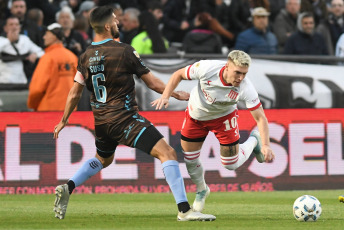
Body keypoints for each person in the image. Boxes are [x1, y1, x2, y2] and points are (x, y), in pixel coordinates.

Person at [53, 5, 216, 222]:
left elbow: (74, 93)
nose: (118, 23)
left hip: (101, 122)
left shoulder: (85, 56)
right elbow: (152, 83)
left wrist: (64, 120)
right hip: (125, 119)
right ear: (108, 26)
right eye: (115, 20)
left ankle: (69, 186)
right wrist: (176, 94)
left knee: (103, 159)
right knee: (167, 153)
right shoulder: (124, 51)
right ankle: (185, 210)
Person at [151, 50, 275, 212]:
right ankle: (202, 190)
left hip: (224, 119)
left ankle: (254, 141)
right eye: (237, 72)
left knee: (230, 164)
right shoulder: (207, 68)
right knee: (190, 160)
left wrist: (265, 145)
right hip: (195, 118)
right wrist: (166, 96)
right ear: (227, 66)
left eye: (244, 73)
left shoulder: (246, 87)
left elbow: (261, 118)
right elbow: (178, 74)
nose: (241, 78)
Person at [27, 23, 78, 111]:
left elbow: (37, 89)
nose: (44, 37)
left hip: (48, 111)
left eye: (47, 34)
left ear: (54, 36)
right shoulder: (72, 57)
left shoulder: (48, 58)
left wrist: (32, 105)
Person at [0, 16, 44, 84]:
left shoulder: (25, 39)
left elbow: (42, 52)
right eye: (11, 24)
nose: (14, 27)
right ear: (5, 28)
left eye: (16, 24)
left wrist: (35, 54)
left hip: (22, 81)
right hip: (4, 81)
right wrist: (9, 40)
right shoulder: (1, 40)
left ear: (20, 28)